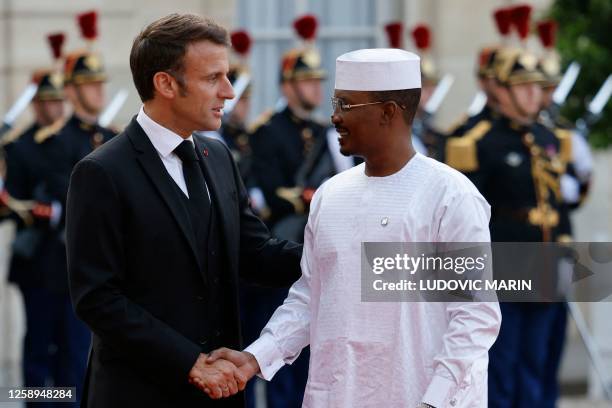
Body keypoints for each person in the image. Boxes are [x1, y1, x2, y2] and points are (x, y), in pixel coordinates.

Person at [201, 48, 502, 407]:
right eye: (335, 103)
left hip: (421, 394)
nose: (334, 117)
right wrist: (255, 357)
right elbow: (311, 295)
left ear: (388, 112)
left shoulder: (450, 196)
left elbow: (474, 315)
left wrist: (435, 398)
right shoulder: (331, 195)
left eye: (346, 105)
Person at [65, 13, 301, 407]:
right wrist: (188, 361)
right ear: (166, 84)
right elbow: (97, 298)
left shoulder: (219, 157)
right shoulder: (101, 172)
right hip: (138, 394)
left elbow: (255, 253)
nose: (229, 91)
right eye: (213, 78)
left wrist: (337, 250)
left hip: (221, 392)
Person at [446, 46, 572, 407]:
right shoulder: (477, 141)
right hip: (502, 268)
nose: (535, 94)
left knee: (540, 362)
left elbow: (556, 205)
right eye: (523, 86)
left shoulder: (547, 138)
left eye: (537, 86)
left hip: (546, 265)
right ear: (500, 90)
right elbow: (461, 216)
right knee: (502, 368)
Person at [3, 66, 69, 407]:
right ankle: (37, 403)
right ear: (37, 106)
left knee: (72, 350)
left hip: (71, 266)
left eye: (60, 101)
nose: (56, 109)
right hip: (38, 265)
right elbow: (8, 205)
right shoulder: (21, 149)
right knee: (38, 348)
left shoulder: (73, 141)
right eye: (49, 103)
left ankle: (64, 402)